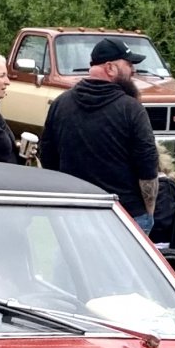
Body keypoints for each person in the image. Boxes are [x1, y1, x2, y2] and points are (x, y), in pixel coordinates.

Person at [40, 37, 159, 234]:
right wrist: (149, 212)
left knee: (73, 264)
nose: (133, 71)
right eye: (129, 64)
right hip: (125, 215)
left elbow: (48, 158)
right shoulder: (131, 109)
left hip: (73, 212)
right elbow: (147, 168)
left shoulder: (60, 104)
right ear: (111, 68)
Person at [150, 144, 175, 252]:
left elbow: (159, 223)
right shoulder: (170, 186)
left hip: (157, 244)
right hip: (168, 242)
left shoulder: (163, 187)